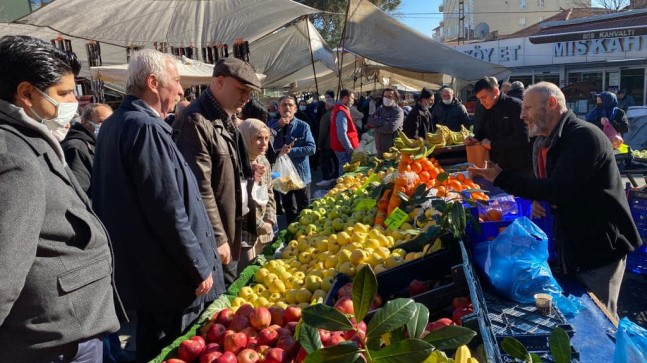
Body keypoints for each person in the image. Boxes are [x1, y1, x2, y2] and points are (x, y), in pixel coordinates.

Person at [92, 49, 224, 362]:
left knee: (152, 347)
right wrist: (198, 267)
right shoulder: (146, 128)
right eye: (176, 81)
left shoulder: (114, 126)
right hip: (171, 282)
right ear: (153, 83)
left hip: (147, 279)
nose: (181, 90)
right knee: (178, 350)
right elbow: (167, 208)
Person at [469, 82, 642, 318]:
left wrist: (502, 178)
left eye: (528, 108)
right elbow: (563, 186)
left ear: (551, 104)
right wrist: (542, 197)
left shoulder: (583, 137)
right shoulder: (550, 140)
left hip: (599, 246)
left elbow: (559, 188)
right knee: (581, 312)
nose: (522, 115)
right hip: (575, 242)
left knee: (599, 318)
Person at [0, 35, 123, 362]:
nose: (74, 101)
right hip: (54, 339)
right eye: (64, 93)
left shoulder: (27, 139)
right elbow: (4, 272)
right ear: (26, 94)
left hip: (67, 328)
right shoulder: (17, 157)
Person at [173, 57, 264, 288]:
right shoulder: (197, 120)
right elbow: (199, 187)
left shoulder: (226, 117)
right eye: (242, 89)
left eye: (249, 92)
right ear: (220, 82)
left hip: (232, 225)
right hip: (218, 235)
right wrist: (218, 237)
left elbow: (219, 166)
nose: (246, 97)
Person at [465, 76, 533, 176]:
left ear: (496, 91)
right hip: (496, 166)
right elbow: (483, 131)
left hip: (517, 167)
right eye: (479, 99)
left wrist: (493, 144)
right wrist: (475, 139)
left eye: (484, 97)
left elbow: (523, 137)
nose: (482, 102)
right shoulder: (487, 108)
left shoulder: (515, 106)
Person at [269, 95, 316, 224]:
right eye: (284, 105)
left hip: (301, 175)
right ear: (279, 109)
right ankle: (291, 237)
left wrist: (291, 151)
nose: (287, 107)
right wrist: (278, 126)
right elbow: (265, 146)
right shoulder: (271, 126)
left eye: (290, 105)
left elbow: (312, 148)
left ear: (295, 109)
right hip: (282, 176)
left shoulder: (303, 126)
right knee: (289, 209)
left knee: (304, 209)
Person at [238, 119, 276, 272]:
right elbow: (240, 204)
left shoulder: (263, 161)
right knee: (246, 274)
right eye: (258, 138)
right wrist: (260, 225)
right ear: (246, 138)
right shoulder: (238, 165)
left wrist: (270, 219)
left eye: (266, 139)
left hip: (264, 231)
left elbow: (269, 193)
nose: (264, 143)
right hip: (245, 232)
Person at [60, 102, 112, 197]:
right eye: (101, 122)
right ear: (84, 122)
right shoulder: (76, 147)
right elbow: (79, 192)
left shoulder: (99, 143)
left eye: (110, 122)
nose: (107, 126)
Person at [368, 88, 404, 158]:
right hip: (379, 149)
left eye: (390, 96)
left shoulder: (398, 111)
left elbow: (391, 128)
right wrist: (384, 121)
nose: (386, 98)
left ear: (395, 98)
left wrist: (376, 128)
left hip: (393, 150)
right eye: (385, 96)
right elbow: (370, 121)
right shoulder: (380, 109)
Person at [330, 89, 359, 175]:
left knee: (343, 167)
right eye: (352, 99)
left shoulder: (338, 108)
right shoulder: (341, 111)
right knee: (345, 170)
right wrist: (349, 148)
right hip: (343, 147)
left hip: (339, 145)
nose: (353, 101)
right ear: (346, 98)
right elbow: (341, 133)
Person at [315, 96, 339, 187]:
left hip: (327, 143)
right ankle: (335, 176)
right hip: (336, 142)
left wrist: (319, 144)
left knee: (324, 161)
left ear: (328, 105)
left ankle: (326, 178)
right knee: (335, 160)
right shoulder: (337, 114)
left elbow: (323, 131)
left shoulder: (326, 116)